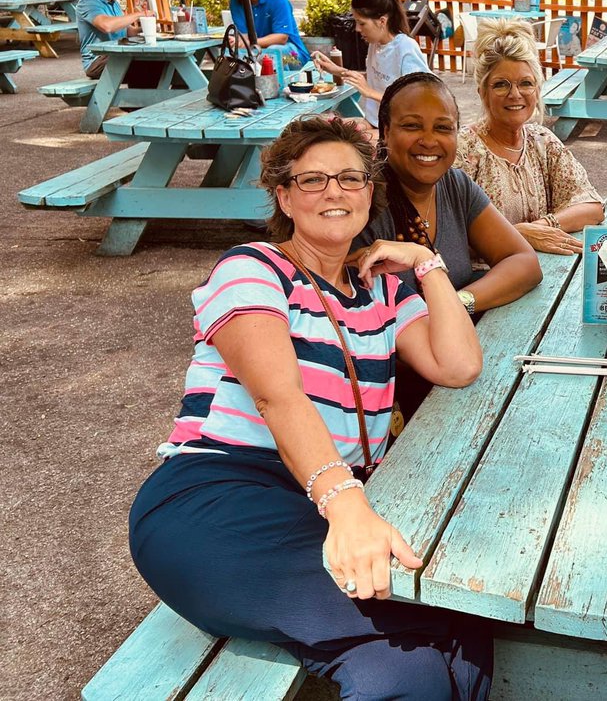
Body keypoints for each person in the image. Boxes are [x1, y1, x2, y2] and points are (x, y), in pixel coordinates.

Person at [128, 115, 493, 701]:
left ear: (370, 193)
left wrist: (427, 266)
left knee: (412, 668)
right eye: (313, 179)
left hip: (315, 507)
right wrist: (346, 506)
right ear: (283, 195)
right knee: (451, 613)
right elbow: (278, 395)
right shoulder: (253, 268)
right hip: (219, 496)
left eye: (351, 179)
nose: (334, 192)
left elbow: (457, 365)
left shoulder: (382, 286)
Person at [355, 71, 542, 314]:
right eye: (412, 126)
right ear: (386, 131)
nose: (429, 140)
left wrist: (456, 303)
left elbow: (524, 263)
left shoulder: (455, 185)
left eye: (443, 128)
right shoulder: (363, 200)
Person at [454, 19, 604, 255]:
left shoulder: (542, 141)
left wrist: (541, 228)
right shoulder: (465, 150)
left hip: (545, 273)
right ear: (482, 92)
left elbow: (592, 206)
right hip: (486, 280)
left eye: (526, 83)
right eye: (501, 85)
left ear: (537, 90)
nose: (515, 94)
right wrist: (518, 235)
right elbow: (451, 233)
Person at [312, 0, 430, 128]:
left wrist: (369, 92)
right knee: (323, 128)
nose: (357, 29)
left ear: (382, 21)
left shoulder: (406, 48)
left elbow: (416, 101)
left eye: (361, 23)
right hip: (374, 123)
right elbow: (377, 77)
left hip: (398, 130)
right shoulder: (376, 44)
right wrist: (336, 70)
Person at [75, 0, 157, 83]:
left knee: (162, 63)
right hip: (98, 61)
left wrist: (146, 29)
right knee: (148, 67)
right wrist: (139, 14)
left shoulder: (114, 2)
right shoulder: (88, 2)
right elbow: (106, 26)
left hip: (118, 55)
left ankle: (150, 100)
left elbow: (128, 30)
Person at [228, 0, 310, 64]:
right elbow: (244, 37)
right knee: (229, 54)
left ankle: (272, 80)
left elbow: (281, 38)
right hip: (257, 50)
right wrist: (237, 41)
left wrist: (251, 43)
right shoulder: (235, 1)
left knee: (272, 53)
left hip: (294, 55)